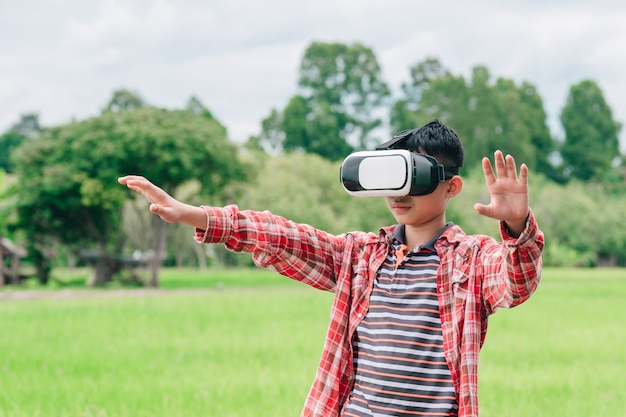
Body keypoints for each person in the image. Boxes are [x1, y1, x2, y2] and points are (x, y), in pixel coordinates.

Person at [118, 120, 544, 417]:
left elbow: (515, 282)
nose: (398, 193)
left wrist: (516, 226)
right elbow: (281, 236)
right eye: (389, 177)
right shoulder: (360, 257)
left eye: (413, 177)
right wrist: (197, 215)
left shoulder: (470, 262)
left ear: (451, 185)